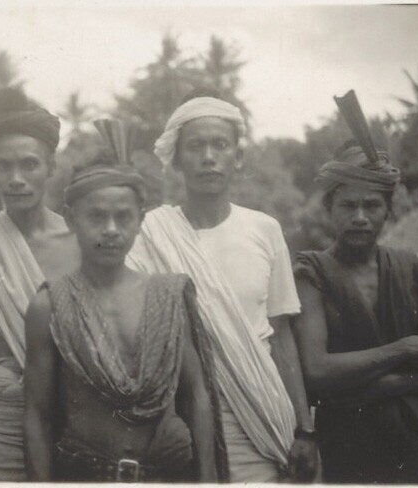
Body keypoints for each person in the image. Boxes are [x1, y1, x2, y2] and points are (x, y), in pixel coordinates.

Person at [128, 88, 318, 483]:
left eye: (220, 145)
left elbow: (281, 335)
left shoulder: (264, 230)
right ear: (176, 157)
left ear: (238, 156)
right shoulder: (150, 234)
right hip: (181, 418)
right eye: (195, 146)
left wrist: (304, 429)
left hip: (263, 411)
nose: (208, 157)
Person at [23, 149, 229, 482]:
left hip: (167, 475)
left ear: (140, 220)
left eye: (123, 217)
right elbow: (38, 416)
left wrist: (207, 481)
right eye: (96, 217)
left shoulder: (167, 297)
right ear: (70, 219)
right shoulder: (51, 305)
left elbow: (197, 397)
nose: (111, 230)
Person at [292, 142, 418, 483]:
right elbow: (317, 369)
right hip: (347, 445)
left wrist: (396, 385)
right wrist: (400, 350)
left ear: (388, 210)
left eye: (372, 205)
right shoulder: (312, 273)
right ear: (329, 208)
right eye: (348, 205)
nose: (360, 217)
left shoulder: (414, 270)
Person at [0, 87, 79, 481]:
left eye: (29, 164)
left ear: (51, 167)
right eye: (4, 166)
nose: (16, 179)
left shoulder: (79, 242)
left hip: (72, 422)